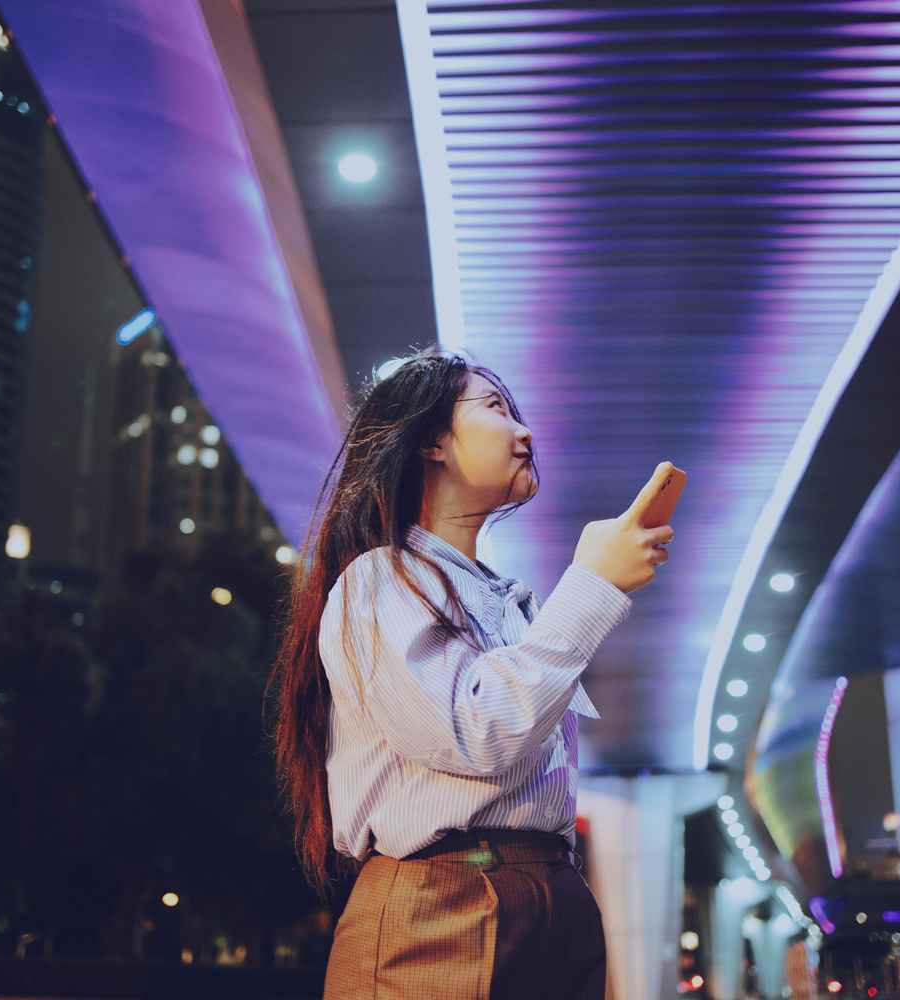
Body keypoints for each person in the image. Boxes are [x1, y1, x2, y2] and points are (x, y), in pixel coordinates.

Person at [271, 347, 675, 999]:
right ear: (430, 438)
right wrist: (593, 585)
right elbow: (478, 731)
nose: (526, 431)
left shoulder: (507, 601)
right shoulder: (378, 580)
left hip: (550, 896)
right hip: (442, 900)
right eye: (495, 407)